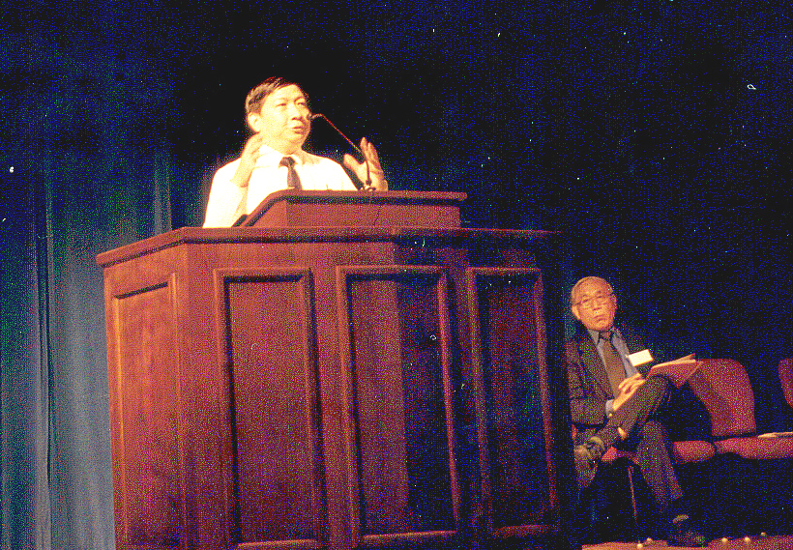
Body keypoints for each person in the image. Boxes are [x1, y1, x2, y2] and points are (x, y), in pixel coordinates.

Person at [566, 276, 708, 547]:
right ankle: (677, 519)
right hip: (610, 423)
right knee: (652, 428)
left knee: (657, 385)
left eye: (601, 297)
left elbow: (664, 382)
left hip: (647, 419)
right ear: (576, 312)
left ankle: (598, 445)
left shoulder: (639, 337)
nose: (595, 306)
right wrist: (614, 405)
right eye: (586, 301)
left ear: (613, 301)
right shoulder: (571, 352)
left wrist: (646, 389)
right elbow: (573, 407)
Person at [203, 76, 387, 227]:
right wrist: (240, 182)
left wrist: (375, 190)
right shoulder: (232, 175)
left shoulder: (329, 169)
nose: (297, 114)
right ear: (256, 121)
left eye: (301, 104)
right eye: (282, 105)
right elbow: (213, 241)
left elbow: (364, 230)